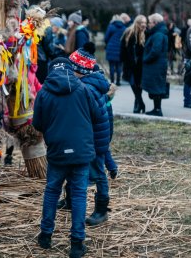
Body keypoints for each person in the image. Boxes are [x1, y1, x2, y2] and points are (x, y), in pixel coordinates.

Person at [33, 57, 99, 258]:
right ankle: (77, 244)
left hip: (57, 151)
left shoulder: (44, 92)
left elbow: (37, 123)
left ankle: (46, 235)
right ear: (70, 70)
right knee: (79, 194)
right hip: (81, 152)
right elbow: (96, 115)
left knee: (52, 191)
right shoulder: (83, 88)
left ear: (51, 71)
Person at [69, 49, 111, 227]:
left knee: (97, 173)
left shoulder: (87, 89)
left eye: (72, 67)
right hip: (94, 137)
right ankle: (70, 200)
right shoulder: (91, 82)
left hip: (93, 139)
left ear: (80, 70)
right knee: (74, 169)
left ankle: (101, 210)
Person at [142, 13, 168, 116]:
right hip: (157, 64)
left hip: (156, 65)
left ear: (155, 23)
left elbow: (155, 51)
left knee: (156, 87)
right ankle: (156, 109)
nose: (148, 24)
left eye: (150, 22)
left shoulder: (158, 34)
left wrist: (145, 59)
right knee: (156, 86)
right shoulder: (159, 32)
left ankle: (157, 110)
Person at [121, 15, 147, 113]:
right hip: (129, 64)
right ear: (137, 23)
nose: (144, 25)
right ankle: (140, 102)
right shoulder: (129, 32)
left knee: (139, 85)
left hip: (140, 65)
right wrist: (123, 60)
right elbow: (122, 48)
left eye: (145, 22)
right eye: (142, 23)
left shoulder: (146, 33)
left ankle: (137, 103)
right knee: (132, 83)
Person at [105, 14, 127, 86]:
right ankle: (118, 81)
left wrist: (108, 43)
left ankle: (112, 81)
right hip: (120, 48)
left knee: (111, 65)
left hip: (111, 48)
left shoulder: (111, 26)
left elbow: (106, 38)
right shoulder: (124, 28)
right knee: (119, 66)